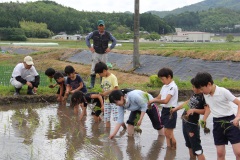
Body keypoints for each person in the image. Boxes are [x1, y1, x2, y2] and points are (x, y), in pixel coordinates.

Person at [194, 72, 240, 160]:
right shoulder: (205, 94)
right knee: (220, 153)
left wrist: (237, 117)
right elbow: (208, 108)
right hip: (217, 123)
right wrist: (204, 119)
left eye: (201, 89)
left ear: (209, 84)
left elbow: (239, 103)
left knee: (238, 152)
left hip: (230, 121)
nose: (201, 91)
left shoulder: (223, 91)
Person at [171, 78, 206, 160]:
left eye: (194, 87)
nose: (192, 88)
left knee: (197, 149)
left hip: (193, 125)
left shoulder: (203, 97)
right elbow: (187, 102)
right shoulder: (195, 95)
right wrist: (176, 109)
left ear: (199, 87)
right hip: (185, 122)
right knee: (189, 146)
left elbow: (205, 111)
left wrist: (194, 110)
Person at [148, 67, 178, 149]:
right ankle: (169, 149)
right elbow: (159, 97)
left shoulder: (173, 87)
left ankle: (173, 150)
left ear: (169, 77)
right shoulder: (165, 86)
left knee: (169, 133)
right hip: (164, 110)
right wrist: (151, 101)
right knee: (166, 132)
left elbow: (166, 101)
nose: (162, 81)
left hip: (171, 111)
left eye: (163, 79)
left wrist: (154, 100)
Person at [85, 19, 117, 89]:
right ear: (98, 27)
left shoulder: (108, 34)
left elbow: (114, 41)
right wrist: (90, 47)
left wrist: (110, 48)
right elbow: (87, 38)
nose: (101, 27)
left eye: (102, 26)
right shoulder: (94, 33)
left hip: (104, 54)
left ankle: (102, 84)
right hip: (96, 53)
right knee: (93, 68)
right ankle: (92, 84)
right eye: (100, 26)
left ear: (104, 26)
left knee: (103, 69)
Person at [94, 62, 118, 128]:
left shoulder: (113, 77)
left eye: (100, 73)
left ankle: (124, 128)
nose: (100, 75)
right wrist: (103, 104)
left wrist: (107, 92)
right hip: (107, 102)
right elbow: (103, 90)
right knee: (106, 119)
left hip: (114, 101)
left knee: (117, 118)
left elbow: (116, 89)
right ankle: (107, 134)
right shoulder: (104, 78)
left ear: (104, 70)